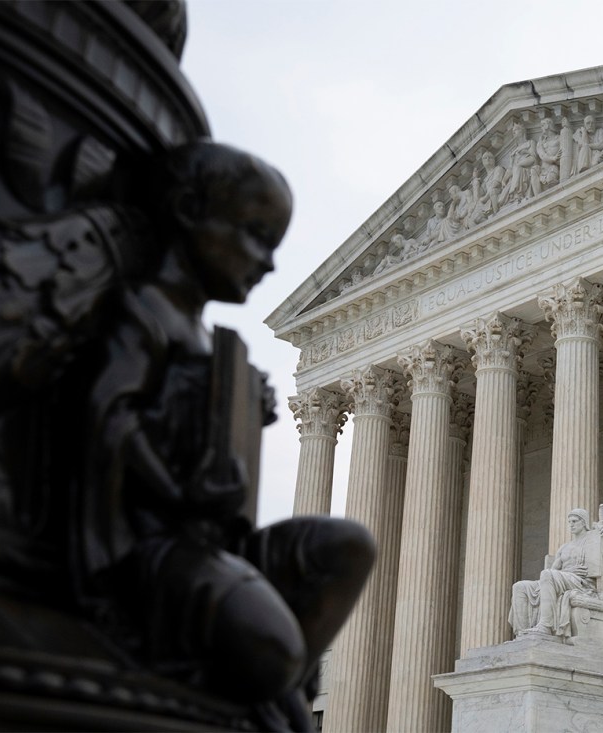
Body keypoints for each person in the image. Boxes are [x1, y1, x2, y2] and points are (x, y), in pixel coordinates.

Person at [81, 141, 374, 711]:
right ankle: (268, 699)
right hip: (161, 539)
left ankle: (279, 693)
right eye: (256, 236)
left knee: (349, 543)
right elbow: (107, 418)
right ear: (190, 213)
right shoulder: (144, 316)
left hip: (212, 536)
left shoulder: (195, 335)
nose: (266, 262)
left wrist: (240, 406)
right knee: (274, 648)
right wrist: (180, 494)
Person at [509, 508, 603, 640]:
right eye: (569, 521)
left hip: (582, 583)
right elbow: (553, 570)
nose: (571, 524)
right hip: (563, 578)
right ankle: (522, 633)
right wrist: (568, 572)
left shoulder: (593, 542)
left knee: (547, 575)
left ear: (584, 523)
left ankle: (546, 625)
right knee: (519, 586)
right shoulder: (564, 547)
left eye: (575, 521)